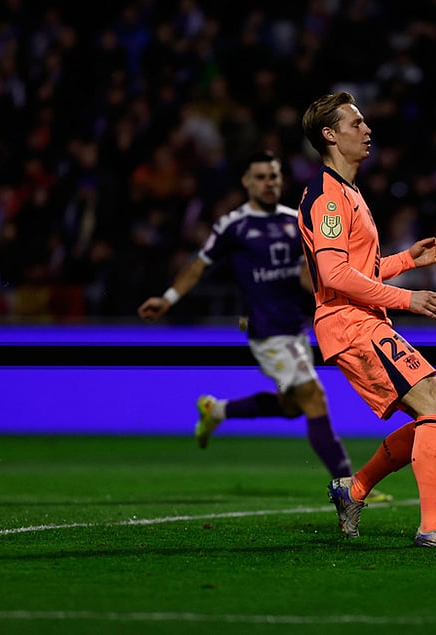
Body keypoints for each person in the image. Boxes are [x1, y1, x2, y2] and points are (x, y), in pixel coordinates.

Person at [137, 151, 389, 503]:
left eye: (273, 176)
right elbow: (199, 264)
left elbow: (310, 274)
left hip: (296, 330)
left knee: (292, 406)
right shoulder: (233, 225)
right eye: (260, 177)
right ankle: (350, 486)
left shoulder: (294, 220)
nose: (269, 183)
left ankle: (216, 410)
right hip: (267, 332)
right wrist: (168, 297)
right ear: (246, 182)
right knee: (314, 398)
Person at [299, 91, 436, 549]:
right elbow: (334, 274)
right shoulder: (326, 196)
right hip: (351, 323)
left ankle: (354, 489)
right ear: (329, 135)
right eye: (355, 124)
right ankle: (432, 527)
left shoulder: (348, 192)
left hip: (361, 320)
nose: (367, 131)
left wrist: (406, 259)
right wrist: (407, 298)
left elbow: (357, 270)